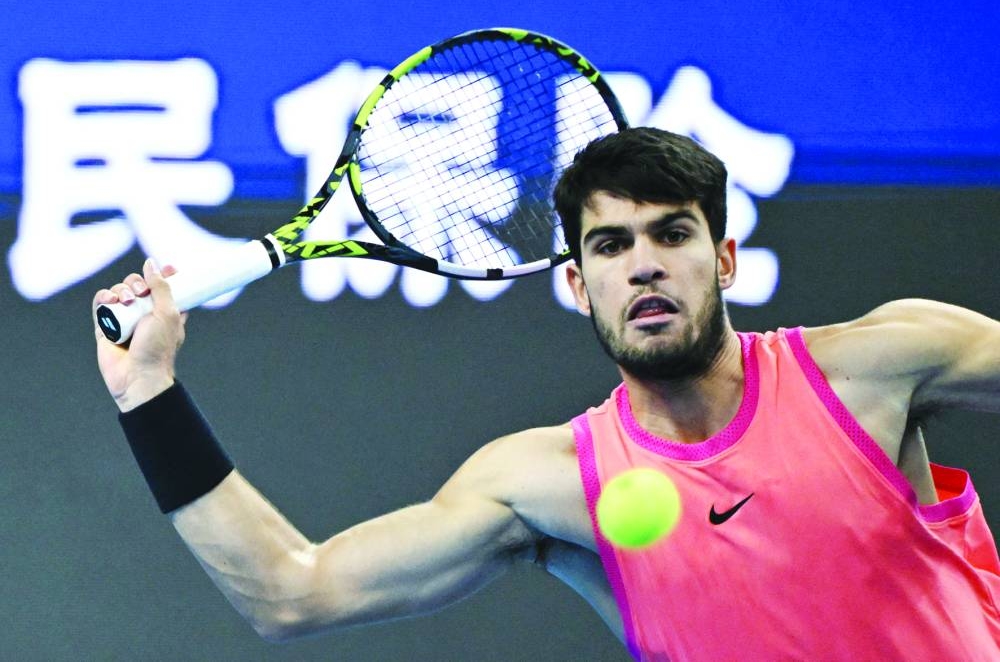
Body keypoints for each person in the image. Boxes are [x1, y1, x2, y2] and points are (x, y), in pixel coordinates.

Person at [93, 127, 1000, 660]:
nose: (643, 262)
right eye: (609, 246)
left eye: (671, 234)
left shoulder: (875, 367)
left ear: (722, 259)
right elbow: (294, 593)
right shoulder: (548, 485)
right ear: (577, 282)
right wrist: (149, 394)